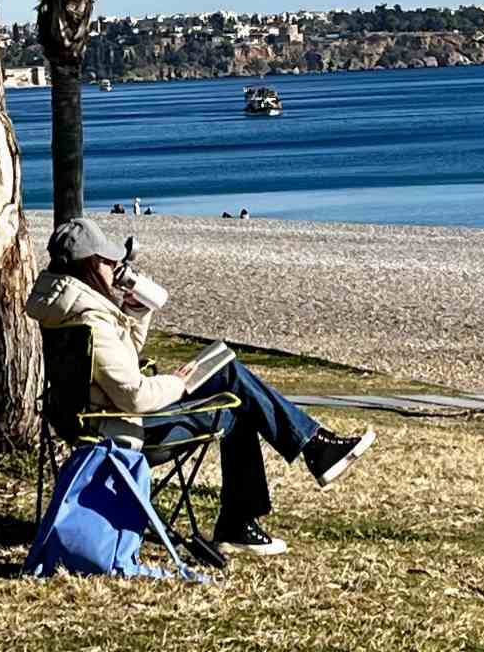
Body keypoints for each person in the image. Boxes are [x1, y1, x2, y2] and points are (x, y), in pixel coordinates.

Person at [26, 218, 376, 557]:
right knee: (234, 394)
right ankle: (289, 473)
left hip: (93, 422)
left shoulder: (67, 310)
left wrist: (136, 312)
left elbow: (121, 361)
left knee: (230, 381)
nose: (115, 267)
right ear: (90, 264)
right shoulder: (91, 319)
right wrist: (179, 383)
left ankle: (306, 456)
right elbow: (134, 395)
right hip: (122, 431)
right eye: (108, 261)